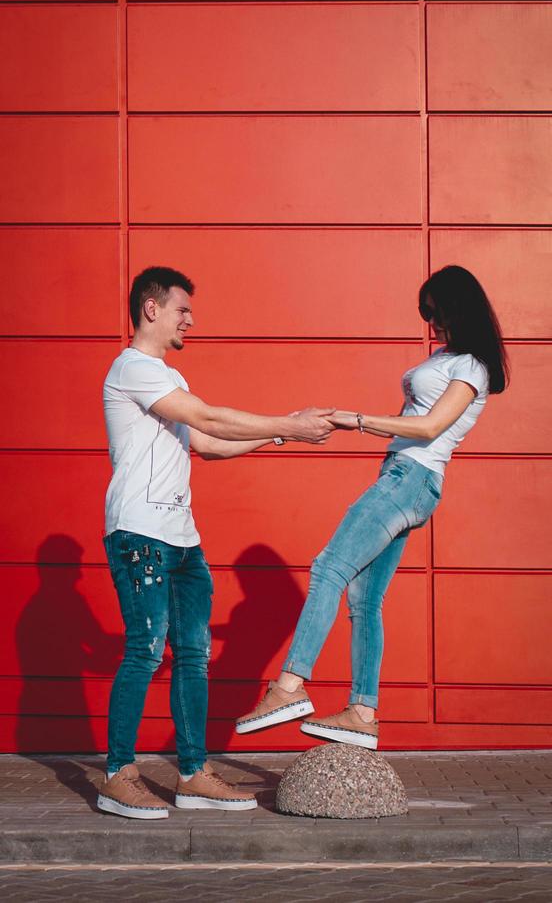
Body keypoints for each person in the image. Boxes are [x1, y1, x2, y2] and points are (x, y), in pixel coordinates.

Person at [236, 265, 509, 749]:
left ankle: (289, 687)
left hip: (412, 477)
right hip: (403, 479)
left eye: (436, 313)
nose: (431, 323)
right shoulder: (448, 357)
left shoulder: (471, 366)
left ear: (455, 308)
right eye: (427, 315)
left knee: (327, 568)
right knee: (365, 599)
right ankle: (362, 712)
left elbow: (428, 428)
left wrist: (350, 419)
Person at [97, 266, 335, 819]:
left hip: (182, 540)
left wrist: (277, 433)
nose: (191, 320)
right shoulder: (131, 368)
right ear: (151, 308)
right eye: (183, 309)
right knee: (146, 650)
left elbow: (206, 440)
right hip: (140, 534)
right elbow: (204, 417)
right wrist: (291, 424)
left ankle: (192, 775)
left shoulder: (167, 379)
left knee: (194, 656)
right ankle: (117, 773)